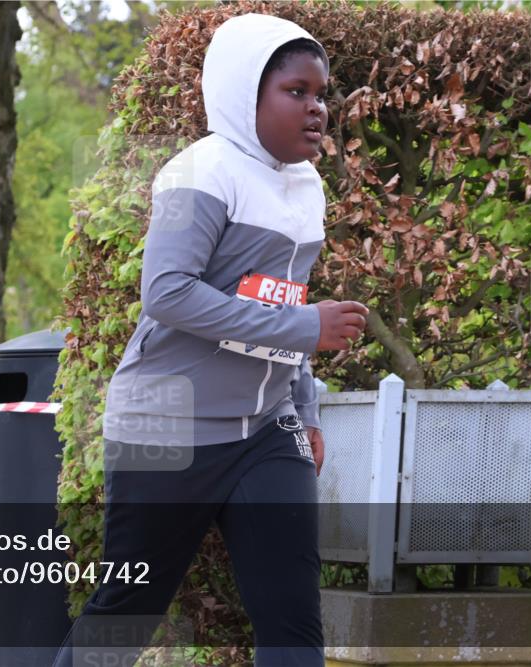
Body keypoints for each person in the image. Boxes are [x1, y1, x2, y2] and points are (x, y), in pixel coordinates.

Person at [52, 14, 368, 667]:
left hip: (263, 431)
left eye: (322, 94)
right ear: (243, 91)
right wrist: (308, 329)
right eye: (297, 92)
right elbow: (166, 293)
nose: (317, 109)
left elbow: (278, 297)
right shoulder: (193, 173)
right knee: (127, 612)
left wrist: (303, 408)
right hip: (166, 428)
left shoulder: (306, 187)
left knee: (293, 620)